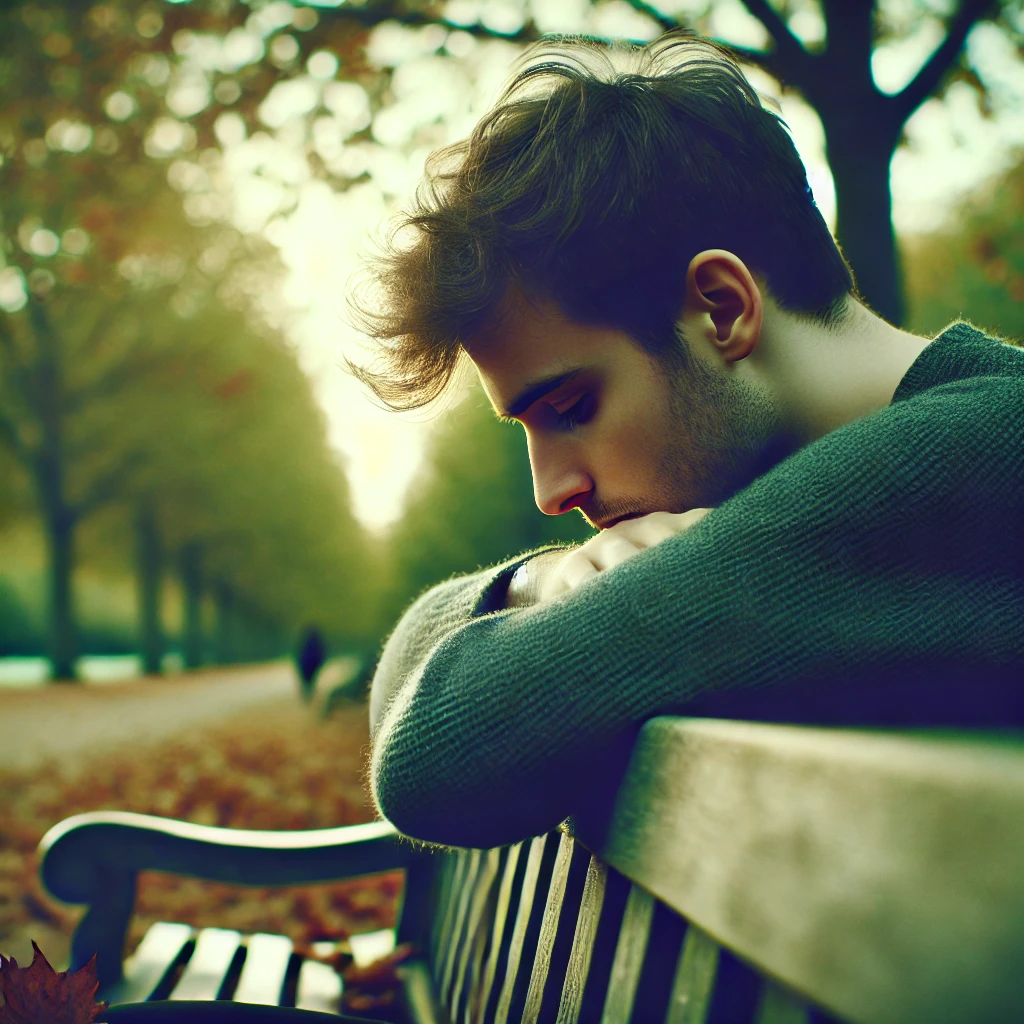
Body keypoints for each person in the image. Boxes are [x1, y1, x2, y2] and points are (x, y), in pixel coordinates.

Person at [350, 32, 1024, 849]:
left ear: (721, 308)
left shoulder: (979, 456)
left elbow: (436, 760)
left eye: (571, 406)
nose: (550, 490)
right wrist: (544, 581)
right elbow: (398, 687)